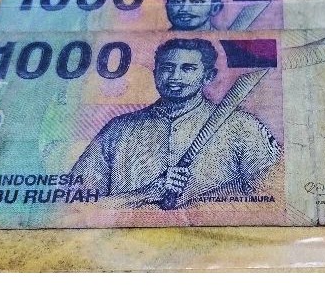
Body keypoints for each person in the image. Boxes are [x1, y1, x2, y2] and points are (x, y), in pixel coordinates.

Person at [71, 38, 280, 207]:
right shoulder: (117, 130)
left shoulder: (242, 125)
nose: (174, 77)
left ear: (208, 76)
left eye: (187, 68)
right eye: (167, 68)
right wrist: (146, 194)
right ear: (155, 73)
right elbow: (74, 206)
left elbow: (272, 198)